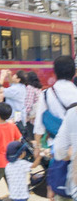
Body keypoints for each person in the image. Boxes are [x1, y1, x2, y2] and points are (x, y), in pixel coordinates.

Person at [34, 56, 77, 200]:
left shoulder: (46, 94)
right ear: (74, 72)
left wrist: (37, 147)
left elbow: (39, 126)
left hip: (57, 153)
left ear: (54, 73)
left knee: (59, 192)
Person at [24, 71, 43, 140]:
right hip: (38, 118)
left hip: (31, 119)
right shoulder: (38, 88)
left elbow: (28, 105)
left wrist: (25, 116)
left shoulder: (29, 88)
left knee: (31, 140)